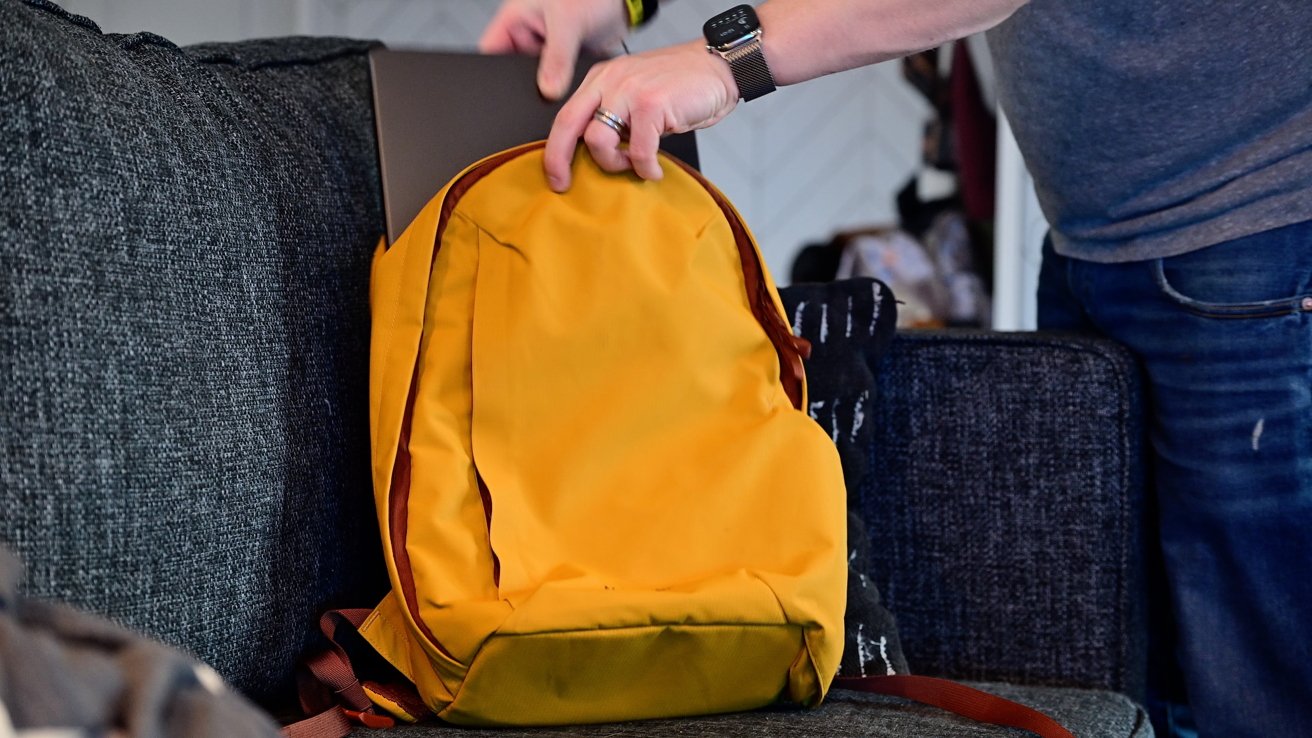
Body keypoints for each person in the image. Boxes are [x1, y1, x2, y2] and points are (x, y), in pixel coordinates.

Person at [478, 2, 1312, 737]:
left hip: (1261, 235)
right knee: (1141, 671)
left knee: (1262, 687)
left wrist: (728, 60)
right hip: (1106, 238)